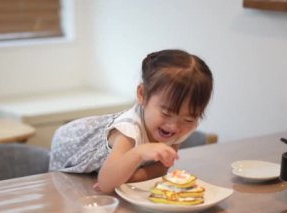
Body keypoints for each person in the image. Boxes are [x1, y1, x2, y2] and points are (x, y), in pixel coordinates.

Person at [49, 49, 214, 193]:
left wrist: (126, 177)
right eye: (166, 113)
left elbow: (162, 167)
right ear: (142, 94)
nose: (174, 126)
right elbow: (107, 184)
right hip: (72, 143)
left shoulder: (182, 128)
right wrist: (138, 152)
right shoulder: (128, 130)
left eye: (188, 118)